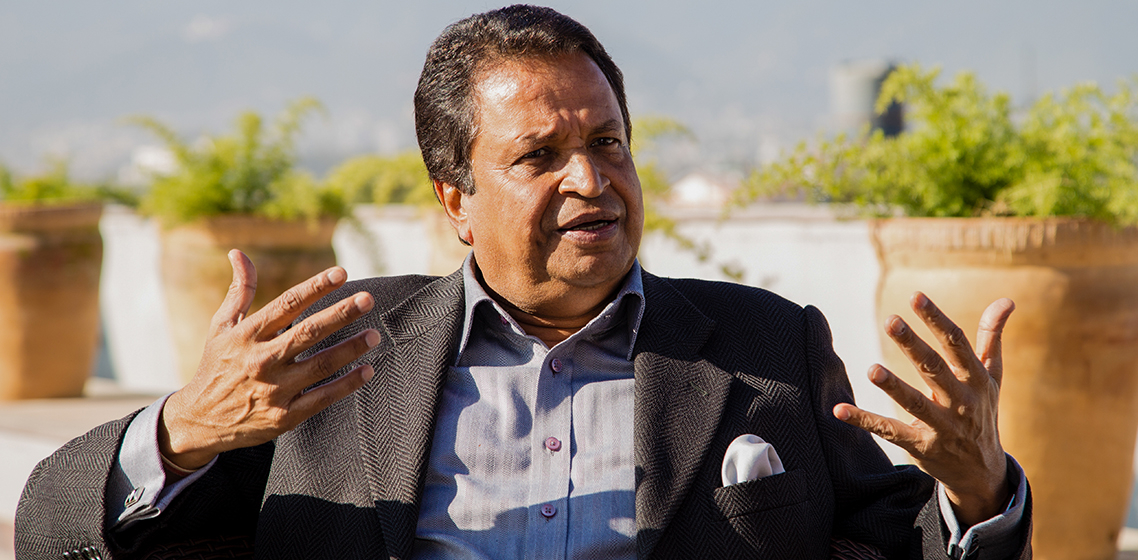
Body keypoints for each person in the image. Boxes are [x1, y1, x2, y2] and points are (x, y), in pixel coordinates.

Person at [17, 5, 1030, 559]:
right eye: (539, 156)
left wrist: (979, 487)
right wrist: (181, 430)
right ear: (455, 198)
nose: (591, 179)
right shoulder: (340, 354)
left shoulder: (767, 349)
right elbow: (50, 529)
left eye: (608, 143)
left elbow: (904, 545)